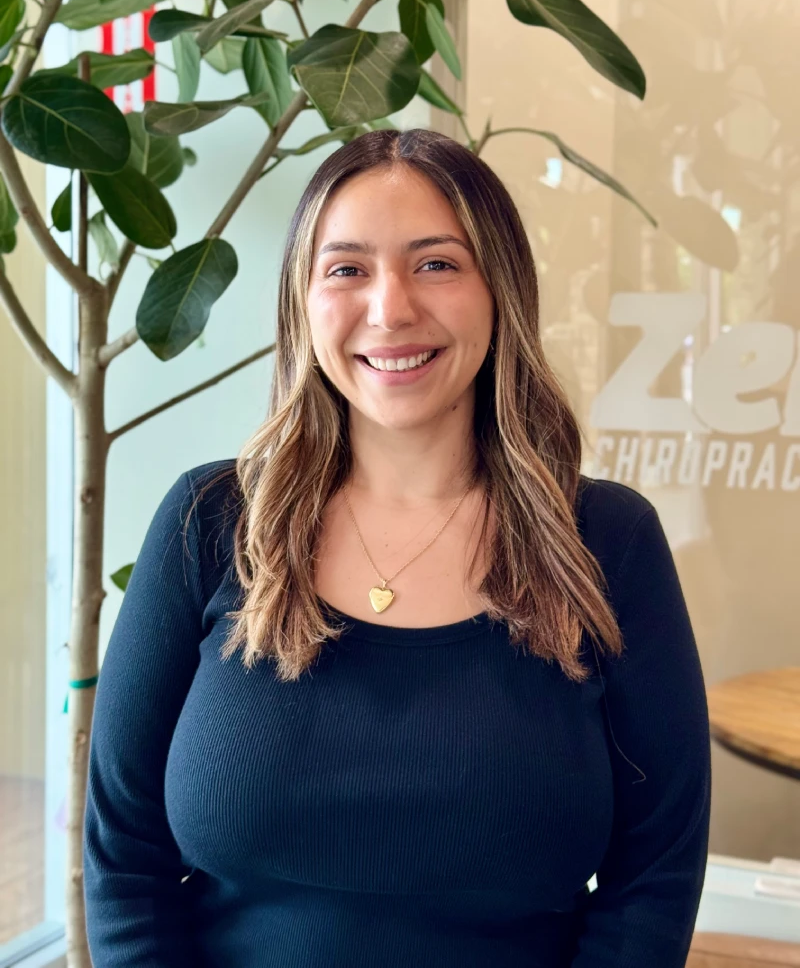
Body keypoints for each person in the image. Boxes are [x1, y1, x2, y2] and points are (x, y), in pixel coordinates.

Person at [83, 128, 711, 967]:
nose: (391, 309)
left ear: (501, 290)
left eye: (437, 263)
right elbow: (125, 856)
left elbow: (654, 876)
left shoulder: (607, 541)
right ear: (303, 303)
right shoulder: (209, 523)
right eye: (347, 269)